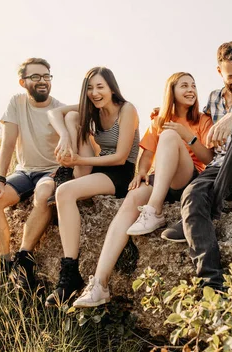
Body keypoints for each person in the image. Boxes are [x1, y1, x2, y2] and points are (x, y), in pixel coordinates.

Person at [71, 72, 214, 308]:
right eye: (184, 86)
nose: (191, 90)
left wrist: (188, 137)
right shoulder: (159, 119)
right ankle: (99, 284)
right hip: (163, 179)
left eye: (194, 86)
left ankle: (154, 210)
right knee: (132, 198)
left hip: (191, 177)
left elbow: (208, 158)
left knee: (170, 135)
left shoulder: (203, 120)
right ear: (172, 91)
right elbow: (146, 156)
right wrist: (142, 171)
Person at [161, 41, 232, 290]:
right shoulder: (213, 98)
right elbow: (195, 124)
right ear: (219, 72)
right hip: (218, 167)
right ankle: (212, 285)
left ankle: (210, 208)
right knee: (192, 194)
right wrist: (167, 113)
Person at [44, 66, 140, 307]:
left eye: (100, 87)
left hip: (120, 172)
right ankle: (68, 173)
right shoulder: (92, 109)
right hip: (95, 166)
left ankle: (69, 274)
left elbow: (120, 157)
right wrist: (66, 137)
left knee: (64, 192)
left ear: (111, 88)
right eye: (90, 88)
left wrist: (78, 161)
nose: (95, 93)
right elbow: (54, 113)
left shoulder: (126, 109)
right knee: (71, 117)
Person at [0, 57, 64, 299]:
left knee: (43, 197)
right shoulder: (17, 102)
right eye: (35, 77)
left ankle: (24, 262)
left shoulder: (59, 109)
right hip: (24, 171)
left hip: (51, 171)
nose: (42, 81)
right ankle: (2, 266)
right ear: (23, 82)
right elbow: (8, 144)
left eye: (46, 76)